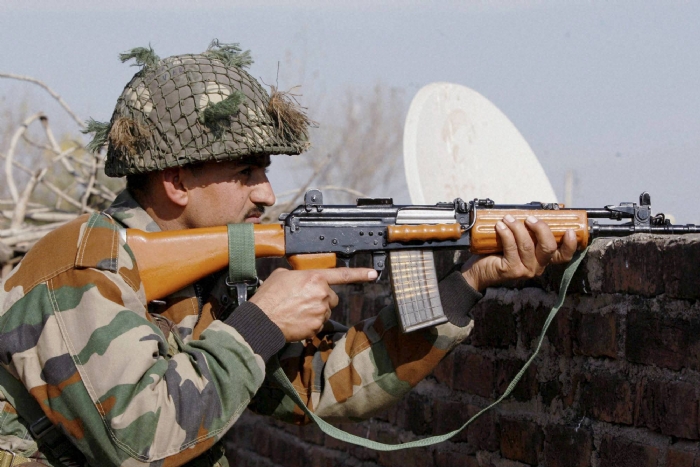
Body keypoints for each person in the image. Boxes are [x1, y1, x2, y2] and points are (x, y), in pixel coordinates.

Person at [0, 42, 577, 467]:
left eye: (266, 173)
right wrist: (260, 324)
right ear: (177, 181)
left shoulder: (210, 280)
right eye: (246, 172)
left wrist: (467, 282)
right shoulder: (80, 269)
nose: (267, 193)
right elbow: (139, 443)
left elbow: (324, 389)